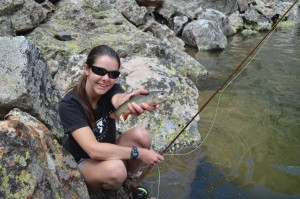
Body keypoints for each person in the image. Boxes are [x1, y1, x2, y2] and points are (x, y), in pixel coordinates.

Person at [58, 45, 164, 196]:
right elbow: (93, 150)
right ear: (87, 69)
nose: (106, 79)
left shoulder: (111, 89)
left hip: (108, 149)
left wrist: (132, 100)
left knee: (142, 135)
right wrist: (139, 153)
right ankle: (106, 188)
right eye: (99, 71)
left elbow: (120, 99)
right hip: (82, 162)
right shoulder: (70, 104)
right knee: (117, 170)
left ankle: (129, 183)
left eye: (113, 74)